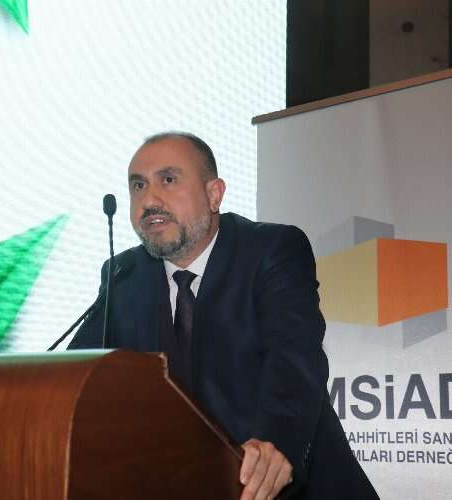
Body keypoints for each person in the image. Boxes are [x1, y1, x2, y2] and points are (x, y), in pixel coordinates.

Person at [68, 132, 378, 500]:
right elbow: (75, 374)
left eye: (168, 180)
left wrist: (274, 443)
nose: (149, 200)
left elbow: (294, 358)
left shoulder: (271, 249)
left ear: (214, 194)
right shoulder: (124, 274)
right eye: (138, 185)